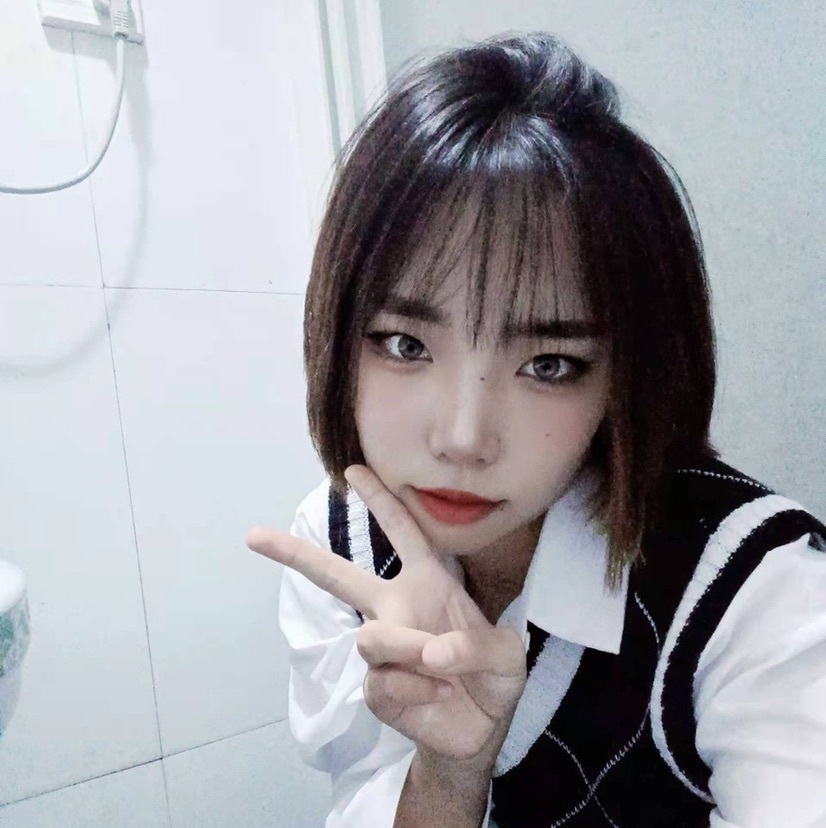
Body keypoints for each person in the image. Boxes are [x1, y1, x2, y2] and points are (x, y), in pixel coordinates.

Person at [246, 32, 826, 828]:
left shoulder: (752, 592)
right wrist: (450, 768)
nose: (462, 438)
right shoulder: (342, 547)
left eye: (549, 364)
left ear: (625, 375)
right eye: (405, 344)